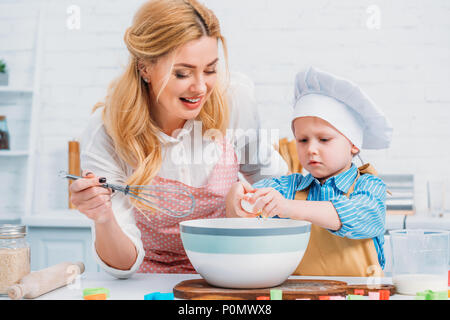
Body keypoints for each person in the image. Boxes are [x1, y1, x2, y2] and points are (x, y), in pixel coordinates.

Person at [69, 0, 287, 278]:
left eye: (210, 70)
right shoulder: (108, 131)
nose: (200, 87)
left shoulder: (234, 102)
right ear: (144, 67)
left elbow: (280, 186)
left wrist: (250, 205)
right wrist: (103, 217)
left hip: (230, 273)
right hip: (145, 281)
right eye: (182, 73)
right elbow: (123, 267)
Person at [227, 66, 393, 277]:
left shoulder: (369, 186)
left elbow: (361, 216)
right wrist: (238, 196)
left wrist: (288, 207)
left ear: (354, 144)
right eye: (303, 140)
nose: (311, 149)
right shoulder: (287, 187)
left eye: (324, 139)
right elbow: (249, 205)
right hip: (300, 293)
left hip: (360, 293)